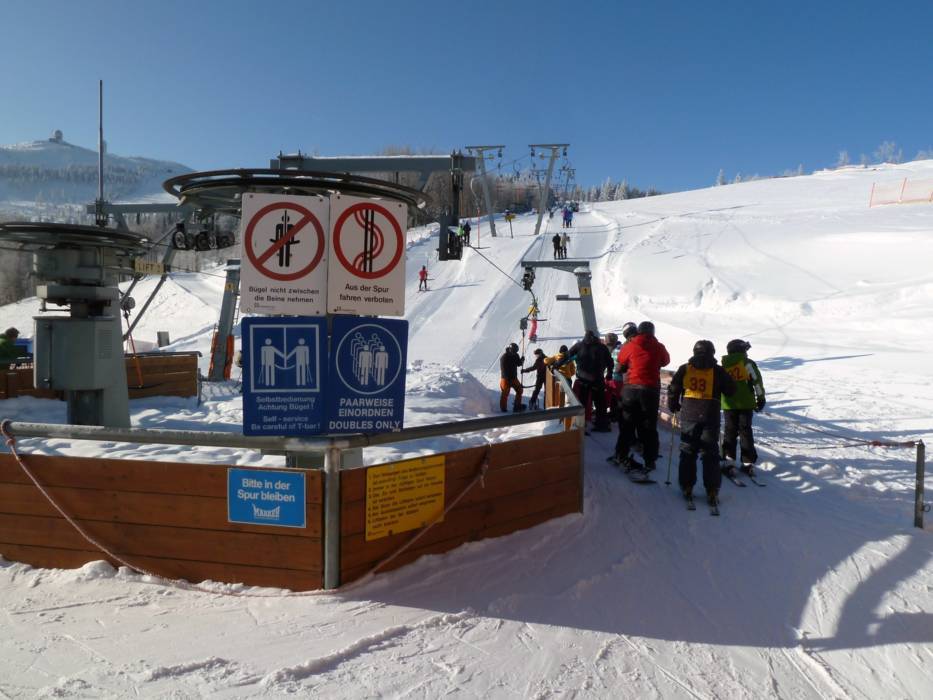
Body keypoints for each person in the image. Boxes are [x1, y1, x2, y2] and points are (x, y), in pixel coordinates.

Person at [667, 340, 737, 507]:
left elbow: (674, 388)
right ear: (712, 352)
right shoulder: (718, 370)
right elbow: (731, 391)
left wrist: (673, 404)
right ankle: (712, 489)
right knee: (710, 453)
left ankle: (687, 486)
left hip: (689, 415)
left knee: (688, 451)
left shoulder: (685, 368)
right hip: (710, 415)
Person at [611, 321, 670, 473]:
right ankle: (650, 460)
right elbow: (666, 361)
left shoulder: (630, 345)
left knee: (627, 424)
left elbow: (620, 364)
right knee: (649, 427)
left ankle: (620, 455)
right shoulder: (659, 346)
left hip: (630, 389)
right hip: (650, 391)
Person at [720, 339, 766, 477]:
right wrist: (761, 398)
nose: (746, 353)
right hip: (746, 403)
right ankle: (747, 463)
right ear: (740, 350)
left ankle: (729, 463)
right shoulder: (747, 363)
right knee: (745, 431)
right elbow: (757, 381)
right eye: (745, 350)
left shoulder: (724, 365)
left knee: (730, 431)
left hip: (728, 404)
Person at [561, 330, 613, 432]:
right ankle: (601, 424)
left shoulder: (580, 346)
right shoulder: (602, 347)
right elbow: (610, 362)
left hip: (583, 380)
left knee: (583, 402)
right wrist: (609, 373)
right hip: (597, 379)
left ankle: (581, 425)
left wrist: (556, 364)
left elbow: (567, 355)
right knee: (600, 403)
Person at [499, 342, 525, 412]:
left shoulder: (515, 355)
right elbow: (504, 370)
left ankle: (517, 405)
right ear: (510, 350)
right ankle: (503, 409)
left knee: (520, 390)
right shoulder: (504, 358)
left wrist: (521, 360)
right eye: (514, 351)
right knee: (505, 393)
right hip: (506, 379)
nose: (514, 353)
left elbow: (518, 363)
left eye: (515, 351)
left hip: (513, 378)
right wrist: (508, 380)